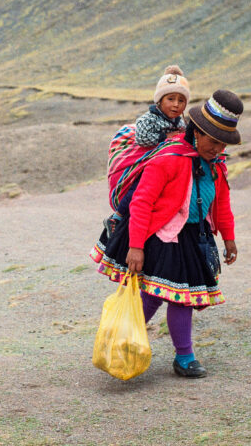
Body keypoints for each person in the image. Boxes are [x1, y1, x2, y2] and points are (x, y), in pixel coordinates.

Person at [92, 89, 243, 378]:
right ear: (196, 132)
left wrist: (229, 237)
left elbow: (222, 203)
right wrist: (136, 246)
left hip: (192, 237)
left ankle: (183, 357)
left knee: (180, 297)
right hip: (160, 236)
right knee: (153, 295)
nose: (218, 149)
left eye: (223, 144)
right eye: (214, 142)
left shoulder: (216, 165)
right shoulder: (168, 158)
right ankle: (121, 342)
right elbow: (141, 202)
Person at [104, 66, 190, 234]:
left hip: (165, 164)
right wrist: (167, 138)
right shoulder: (148, 118)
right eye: (170, 99)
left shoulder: (180, 122)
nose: (176, 105)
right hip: (145, 163)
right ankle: (118, 216)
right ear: (159, 100)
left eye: (181, 101)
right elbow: (142, 139)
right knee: (139, 184)